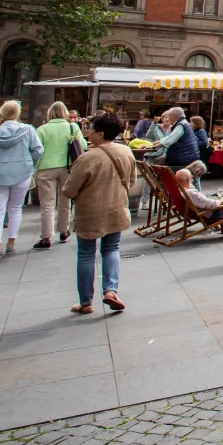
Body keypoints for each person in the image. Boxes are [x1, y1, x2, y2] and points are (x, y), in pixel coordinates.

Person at [62, 112, 135, 314]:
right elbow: (132, 181)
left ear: (100, 133)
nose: (88, 133)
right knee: (111, 249)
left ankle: (85, 301)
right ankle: (111, 290)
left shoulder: (87, 158)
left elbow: (68, 190)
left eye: (91, 129)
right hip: (117, 208)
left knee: (86, 254)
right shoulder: (126, 152)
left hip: (90, 211)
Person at [0, 100, 44, 260]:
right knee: (16, 208)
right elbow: (38, 150)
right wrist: (30, 164)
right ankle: (11, 242)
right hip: (22, 171)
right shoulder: (28, 130)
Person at [33, 101, 86, 249]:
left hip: (45, 168)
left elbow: (37, 150)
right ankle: (63, 231)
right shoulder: (72, 127)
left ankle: (46, 237)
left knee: (47, 204)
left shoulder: (42, 129)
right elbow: (83, 145)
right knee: (65, 201)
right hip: (67, 167)